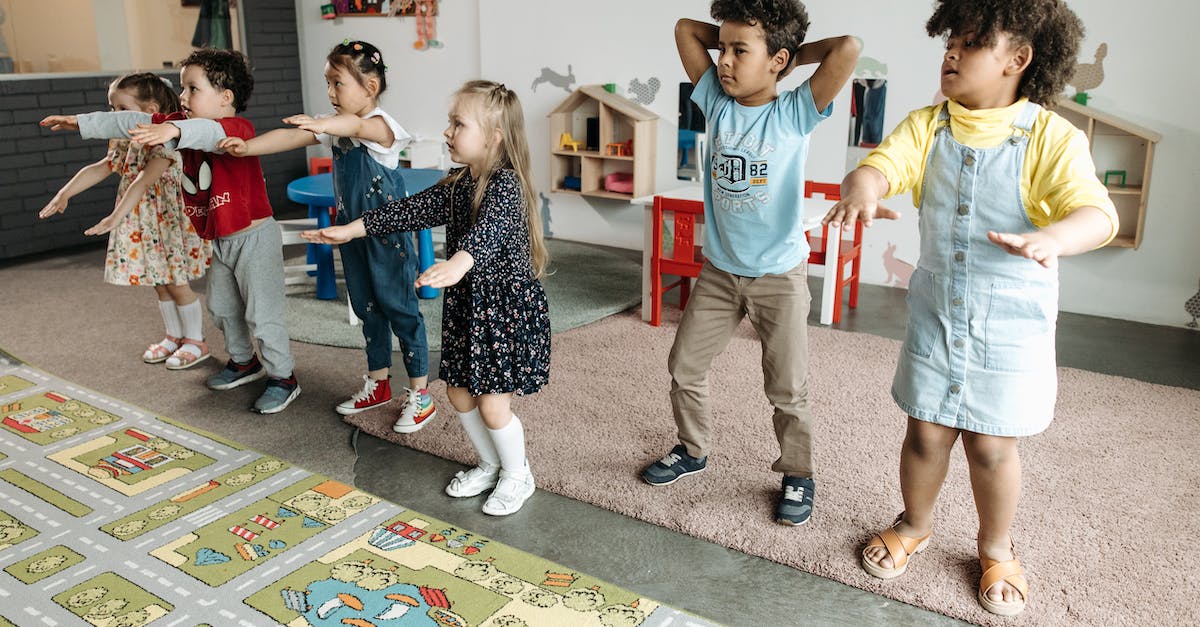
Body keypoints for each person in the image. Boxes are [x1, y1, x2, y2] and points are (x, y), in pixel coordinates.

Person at [824, 0, 1117, 616]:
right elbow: (882, 166)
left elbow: (1097, 214)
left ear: (1018, 58)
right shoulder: (927, 126)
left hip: (1011, 327)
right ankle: (914, 524)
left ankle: (996, 546)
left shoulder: (1050, 137)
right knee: (926, 431)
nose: (951, 52)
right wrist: (863, 188)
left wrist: (1054, 238)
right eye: (948, 41)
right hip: (936, 316)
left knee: (992, 446)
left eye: (972, 43)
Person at [639, 0, 859, 528]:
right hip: (719, 272)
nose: (725, 62)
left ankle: (798, 474)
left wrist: (787, 56)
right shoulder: (717, 101)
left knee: (786, 387)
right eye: (725, 50)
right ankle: (692, 450)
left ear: (778, 60)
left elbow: (847, 49)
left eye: (741, 51)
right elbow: (685, 29)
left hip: (779, 277)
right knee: (684, 365)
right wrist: (741, 38)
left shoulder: (795, 112)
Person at [302, 80, 550, 517]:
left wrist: (457, 263)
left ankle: (517, 474)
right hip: (468, 309)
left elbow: (488, 232)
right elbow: (406, 211)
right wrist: (349, 229)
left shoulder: (506, 185)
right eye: (449, 122)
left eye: (458, 123)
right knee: (457, 393)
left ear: (494, 137)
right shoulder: (457, 183)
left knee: (493, 405)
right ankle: (489, 464)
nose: (448, 131)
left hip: (503, 313)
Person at [41, 49, 302, 415]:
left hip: (254, 238)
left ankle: (283, 377)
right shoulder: (179, 126)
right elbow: (132, 122)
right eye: (183, 88)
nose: (183, 97)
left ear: (225, 98)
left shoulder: (234, 129)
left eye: (192, 89)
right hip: (221, 240)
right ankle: (244, 363)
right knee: (223, 308)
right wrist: (80, 123)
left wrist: (174, 128)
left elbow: (207, 131)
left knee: (262, 313)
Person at [217, 40, 436, 433]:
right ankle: (378, 383)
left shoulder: (382, 126)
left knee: (400, 309)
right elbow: (291, 138)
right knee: (367, 309)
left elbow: (354, 126)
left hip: (387, 238)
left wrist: (321, 124)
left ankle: (420, 393)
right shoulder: (335, 127)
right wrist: (247, 148)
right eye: (328, 84)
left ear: (370, 87)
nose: (331, 93)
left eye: (338, 83)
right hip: (349, 235)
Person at [39, 73, 212, 370]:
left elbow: (144, 181)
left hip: (167, 223)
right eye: (111, 109)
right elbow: (103, 166)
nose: (113, 116)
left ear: (149, 110)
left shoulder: (168, 141)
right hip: (143, 222)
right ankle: (174, 336)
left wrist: (116, 216)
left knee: (176, 282)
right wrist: (64, 193)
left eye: (120, 109)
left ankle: (196, 341)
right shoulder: (124, 140)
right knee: (157, 282)